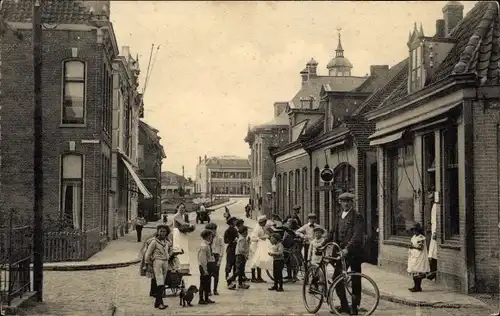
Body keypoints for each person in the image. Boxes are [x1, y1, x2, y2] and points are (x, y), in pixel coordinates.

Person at [322, 192, 364, 315]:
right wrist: (323, 243)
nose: (345, 203)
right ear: (340, 203)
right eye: (343, 201)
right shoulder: (339, 216)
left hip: (354, 252)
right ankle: (344, 305)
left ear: (352, 202)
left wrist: (348, 249)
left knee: (356, 279)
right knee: (336, 278)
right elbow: (331, 232)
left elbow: (357, 236)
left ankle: (355, 307)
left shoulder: (357, 216)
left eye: (348, 201)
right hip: (340, 252)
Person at [145, 224, 171, 310]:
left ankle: (157, 302)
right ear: (158, 231)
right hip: (157, 262)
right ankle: (160, 303)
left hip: (165, 262)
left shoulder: (167, 242)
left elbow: (168, 251)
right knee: (160, 282)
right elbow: (147, 255)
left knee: (162, 282)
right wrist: (150, 265)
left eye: (164, 231)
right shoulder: (154, 242)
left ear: (167, 232)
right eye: (160, 231)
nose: (162, 233)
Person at [249, 215, 273, 283]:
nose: (265, 223)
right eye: (264, 222)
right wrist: (260, 238)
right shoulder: (257, 228)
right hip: (255, 247)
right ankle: (253, 277)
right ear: (261, 222)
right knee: (254, 262)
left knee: (259, 262)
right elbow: (252, 238)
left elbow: (270, 224)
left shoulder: (262, 227)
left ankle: (259, 277)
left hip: (259, 247)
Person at [172, 203, 194, 275]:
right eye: (180, 208)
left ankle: (185, 269)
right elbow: (182, 223)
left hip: (182, 233)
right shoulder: (177, 215)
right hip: (178, 233)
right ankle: (180, 268)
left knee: (184, 249)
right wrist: (190, 225)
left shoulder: (183, 215)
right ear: (177, 208)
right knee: (180, 249)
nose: (182, 209)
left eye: (183, 208)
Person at [407, 222, 430, 292]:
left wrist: (412, 246)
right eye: (413, 230)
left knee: (418, 271)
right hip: (413, 256)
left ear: (418, 230)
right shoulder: (413, 237)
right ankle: (416, 286)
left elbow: (420, 247)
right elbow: (411, 244)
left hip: (419, 256)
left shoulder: (421, 238)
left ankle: (418, 287)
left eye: (415, 230)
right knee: (414, 271)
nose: (414, 232)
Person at [227, 225, 250, 290]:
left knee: (241, 271)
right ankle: (230, 279)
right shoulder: (242, 239)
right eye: (246, 231)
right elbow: (241, 249)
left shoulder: (240, 238)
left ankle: (240, 283)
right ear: (244, 232)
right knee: (239, 271)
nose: (247, 233)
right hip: (240, 256)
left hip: (240, 255)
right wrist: (246, 253)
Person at [198, 229, 216, 304]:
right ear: (207, 237)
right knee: (203, 283)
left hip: (208, 265)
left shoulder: (207, 245)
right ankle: (201, 299)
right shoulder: (204, 246)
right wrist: (205, 269)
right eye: (210, 236)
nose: (211, 238)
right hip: (205, 266)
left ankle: (206, 298)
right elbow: (202, 259)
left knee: (207, 283)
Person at [206, 222, 223, 296]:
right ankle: (209, 290)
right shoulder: (207, 238)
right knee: (208, 274)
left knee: (216, 274)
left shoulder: (219, 237)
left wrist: (220, 258)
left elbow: (222, 248)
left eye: (213, 230)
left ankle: (215, 289)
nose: (212, 232)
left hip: (216, 255)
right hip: (209, 256)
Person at [427, 191, 437, 281]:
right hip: (433, 230)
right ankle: (432, 271)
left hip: (435, 232)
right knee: (432, 252)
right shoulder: (433, 206)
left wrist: (436, 232)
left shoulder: (436, 206)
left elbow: (436, 220)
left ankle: (434, 271)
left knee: (434, 252)